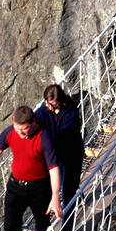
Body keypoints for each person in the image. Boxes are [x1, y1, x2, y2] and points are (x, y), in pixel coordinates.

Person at [35, 84, 83, 219]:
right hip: (55, 156)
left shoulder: (71, 112)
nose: (50, 108)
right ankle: (76, 192)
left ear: (61, 101)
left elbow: (63, 137)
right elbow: (32, 122)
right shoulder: (44, 110)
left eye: (53, 105)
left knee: (68, 193)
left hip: (71, 155)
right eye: (47, 103)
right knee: (54, 187)